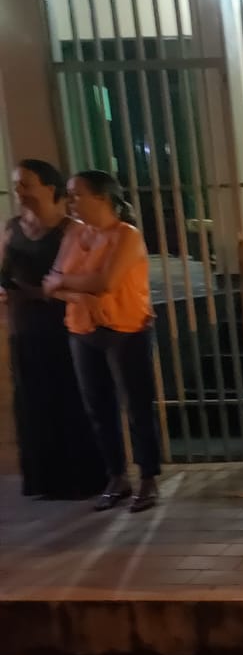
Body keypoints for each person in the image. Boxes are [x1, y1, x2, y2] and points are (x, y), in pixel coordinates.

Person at [43, 170, 160, 512]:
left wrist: (67, 282)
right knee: (98, 407)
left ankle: (148, 478)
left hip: (126, 329)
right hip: (82, 329)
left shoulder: (126, 235)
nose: (71, 201)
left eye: (77, 194)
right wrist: (81, 295)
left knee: (137, 407)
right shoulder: (74, 233)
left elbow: (106, 281)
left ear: (102, 198)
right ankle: (116, 477)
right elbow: (50, 283)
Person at [0, 159, 105, 499]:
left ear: (50, 187)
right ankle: (46, 480)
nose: (19, 191)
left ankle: (82, 480)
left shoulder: (72, 230)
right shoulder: (11, 228)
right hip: (23, 326)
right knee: (34, 402)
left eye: (26, 184)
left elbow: (81, 279)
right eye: (17, 184)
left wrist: (41, 290)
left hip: (63, 326)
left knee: (70, 399)